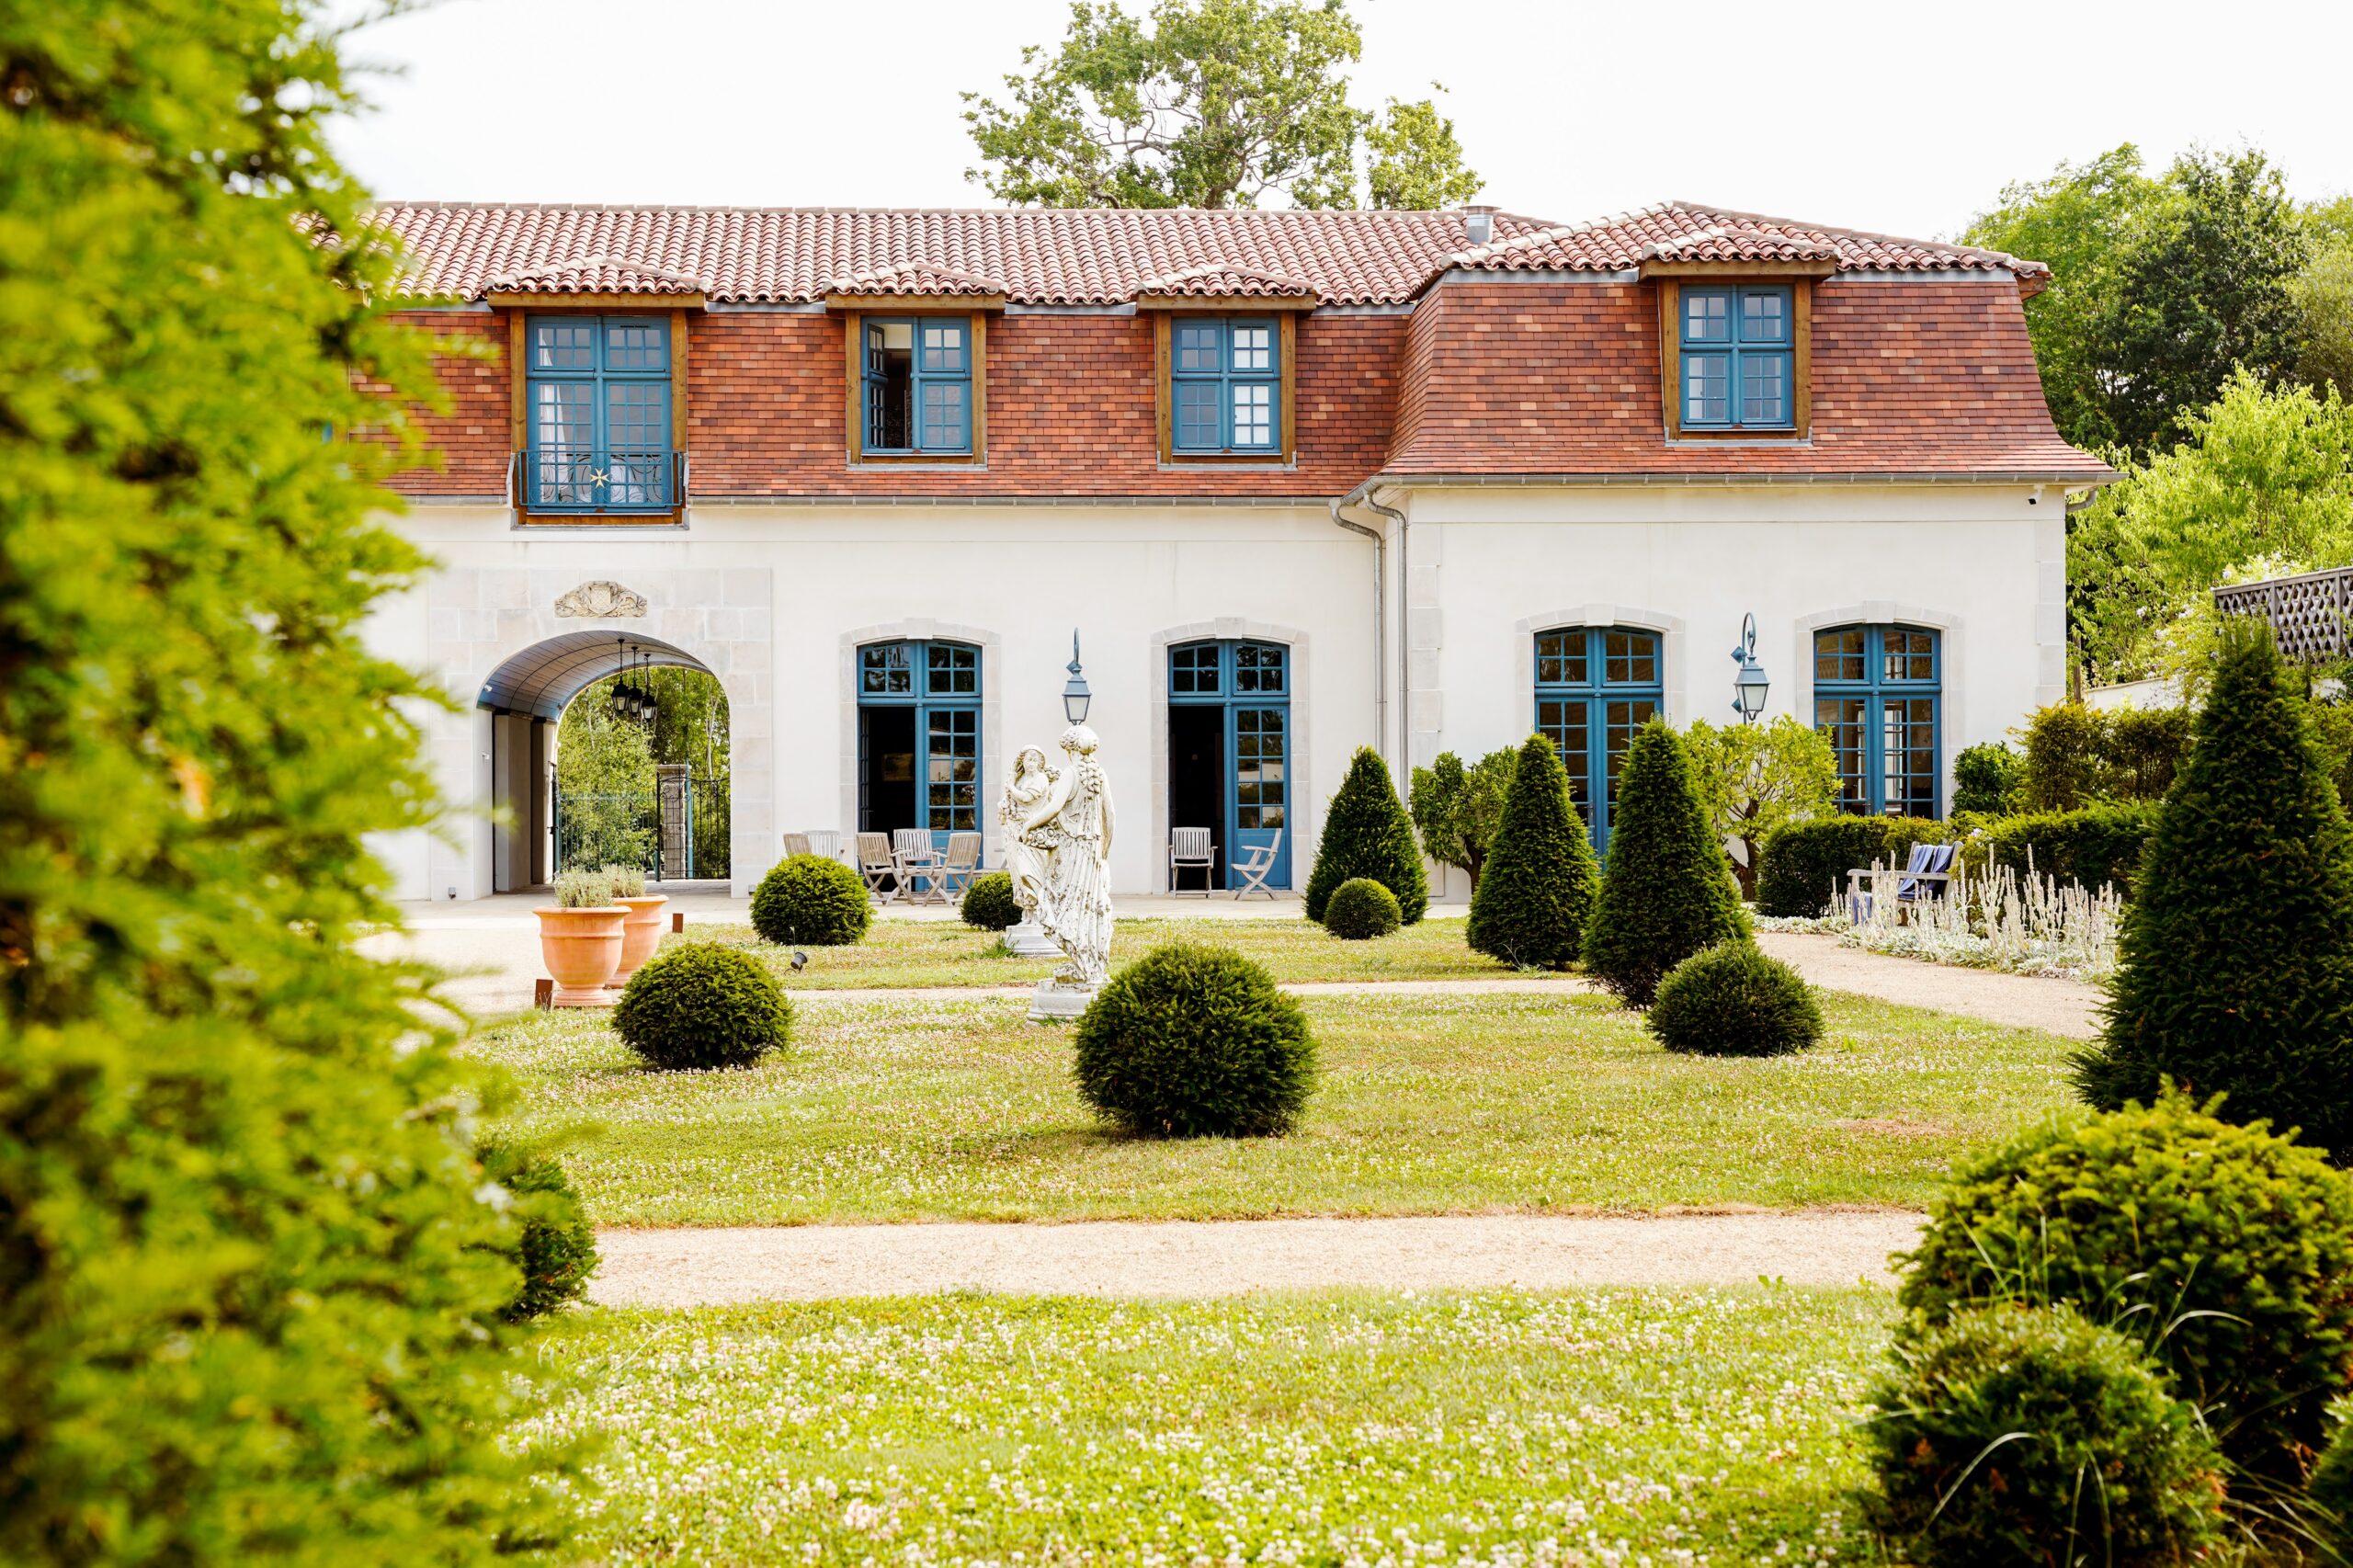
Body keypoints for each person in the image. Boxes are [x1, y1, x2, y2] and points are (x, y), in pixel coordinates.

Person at [1025, 723, 1115, 988]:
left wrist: (1029, 825)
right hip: (1093, 848)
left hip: (1072, 849)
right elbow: (1110, 815)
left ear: (1070, 748)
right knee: (1092, 905)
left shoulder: (1071, 773)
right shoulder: (1099, 773)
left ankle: (1083, 965)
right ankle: (1091, 965)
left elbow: (1054, 808)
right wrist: (1104, 850)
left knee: (1065, 902)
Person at [998, 745, 1056, 922]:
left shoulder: (1041, 779)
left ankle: (1041, 912)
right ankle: (1028, 913)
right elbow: (1010, 802)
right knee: (1018, 875)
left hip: (1032, 832)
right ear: (1022, 761)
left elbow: (1026, 798)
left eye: (1035, 759)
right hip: (1014, 831)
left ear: (1040, 763)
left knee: (1029, 872)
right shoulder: (1021, 779)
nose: (1031, 763)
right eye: (1028, 759)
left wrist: (1010, 785)